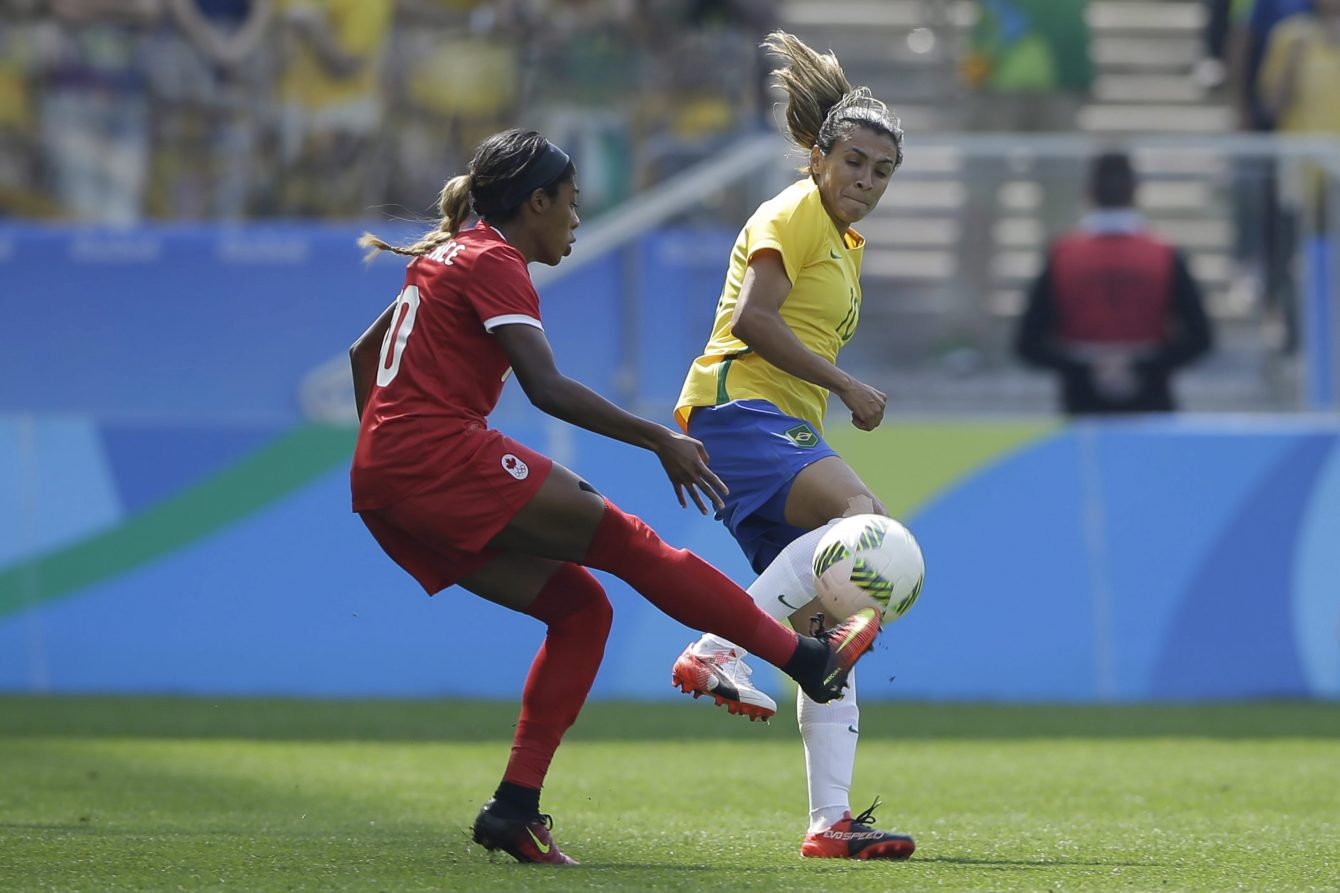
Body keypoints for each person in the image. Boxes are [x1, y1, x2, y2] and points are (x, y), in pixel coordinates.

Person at [347, 128, 881, 866]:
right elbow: (546, 386)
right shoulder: (496, 261)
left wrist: (383, 447)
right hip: (437, 458)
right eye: (569, 204)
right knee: (629, 543)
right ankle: (804, 660)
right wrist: (657, 437)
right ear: (535, 202)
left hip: (381, 485)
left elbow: (361, 357)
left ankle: (514, 808)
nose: (576, 219)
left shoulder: (447, 254)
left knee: (580, 608)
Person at [668, 32, 915, 860]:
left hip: (780, 421)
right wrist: (848, 386)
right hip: (740, 405)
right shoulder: (793, 211)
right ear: (820, 155)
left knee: (823, 645)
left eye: (882, 172)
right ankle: (713, 647)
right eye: (855, 161)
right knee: (862, 517)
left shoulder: (844, 242)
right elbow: (753, 321)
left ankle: (829, 824)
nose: (866, 182)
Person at [1014, 151, 1214, 415]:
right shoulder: (1163, 255)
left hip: (1081, 399)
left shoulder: (1063, 256)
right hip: (1151, 396)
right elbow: (1200, 338)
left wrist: (1087, 366)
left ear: (1089, 193)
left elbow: (1028, 343)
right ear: (1135, 192)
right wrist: (1140, 365)